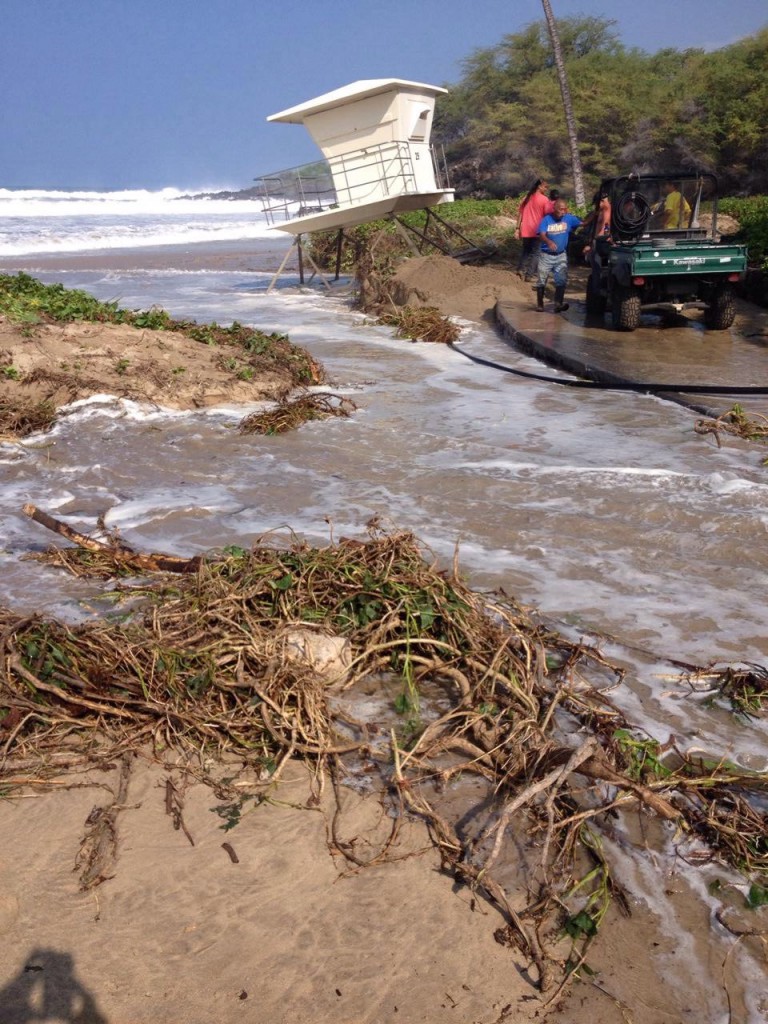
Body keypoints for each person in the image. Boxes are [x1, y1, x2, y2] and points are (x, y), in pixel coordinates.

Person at [536, 198, 583, 312]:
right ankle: (540, 303)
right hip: (546, 255)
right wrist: (549, 241)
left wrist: (595, 214)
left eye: (565, 209)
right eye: (561, 209)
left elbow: (583, 222)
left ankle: (558, 304)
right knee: (542, 279)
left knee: (561, 280)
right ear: (555, 209)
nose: (563, 212)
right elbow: (541, 234)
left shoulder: (568, 218)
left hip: (561, 255)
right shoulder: (546, 219)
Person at [515, 178, 555, 280]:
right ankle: (529, 275)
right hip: (538, 230)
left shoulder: (526, 198)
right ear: (539, 186)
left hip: (526, 229)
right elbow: (549, 215)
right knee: (536, 253)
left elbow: (520, 214)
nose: (547, 189)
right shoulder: (545, 200)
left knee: (525, 251)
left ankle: (520, 269)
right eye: (545, 187)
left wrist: (517, 228)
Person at [581, 189, 612, 295]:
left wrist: (593, 244)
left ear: (602, 201)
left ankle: (597, 294)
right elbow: (586, 223)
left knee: (597, 269)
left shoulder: (607, 210)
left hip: (601, 242)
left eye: (597, 203)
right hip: (598, 241)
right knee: (596, 269)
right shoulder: (601, 210)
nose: (596, 206)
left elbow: (605, 228)